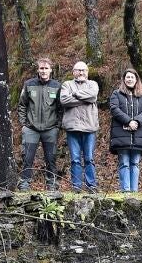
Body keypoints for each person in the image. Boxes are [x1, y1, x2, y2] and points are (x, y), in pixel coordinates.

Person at [17, 57, 61, 191]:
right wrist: (23, 124)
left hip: (50, 129)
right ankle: (24, 184)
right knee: (27, 158)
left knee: (51, 158)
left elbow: (61, 107)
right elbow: (22, 105)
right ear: (37, 70)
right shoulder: (29, 84)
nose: (43, 71)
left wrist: (57, 125)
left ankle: (52, 185)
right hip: (31, 129)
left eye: (46, 68)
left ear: (51, 70)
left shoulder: (57, 86)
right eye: (41, 68)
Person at [59, 61, 99, 192]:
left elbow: (93, 96)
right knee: (75, 159)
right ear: (73, 72)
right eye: (78, 70)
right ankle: (76, 186)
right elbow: (64, 100)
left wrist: (75, 94)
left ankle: (91, 185)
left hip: (89, 127)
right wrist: (84, 97)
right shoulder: (67, 84)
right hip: (72, 128)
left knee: (89, 158)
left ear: (87, 72)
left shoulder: (93, 84)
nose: (81, 73)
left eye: (83, 70)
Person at [109, 68, 142, 192]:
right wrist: (128, 121)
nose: (130, 79)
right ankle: (126, 190)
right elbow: (114, 109)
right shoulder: (116, 94)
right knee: (124, 163)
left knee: (135, 163)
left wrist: (137, 121)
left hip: (138, 135)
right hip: (121, 134)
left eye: (132, 77)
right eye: (127, 77)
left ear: (136, 79)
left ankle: (134, 191)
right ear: (124, 79)